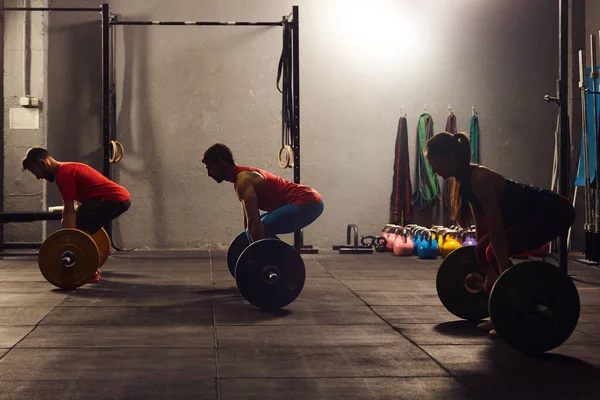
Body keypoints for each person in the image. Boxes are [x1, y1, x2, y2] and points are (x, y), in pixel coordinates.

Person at [425, 132, 575, 333]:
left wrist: (502, 277)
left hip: (555, 211)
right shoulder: (465, 182)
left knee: (491, 253)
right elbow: (482, 230)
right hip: (531, 217)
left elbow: (496, 230)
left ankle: (513, 311)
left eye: (434, 161)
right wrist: (487, 270)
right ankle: (500, 314)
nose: (433, 168)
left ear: (451, 156)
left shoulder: (480, 179)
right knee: (482, 251)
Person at [21, 147, 131, 282]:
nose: (38, 177)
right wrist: (66, 225)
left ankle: (90, 271)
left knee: (78, 224)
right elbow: (69, 207)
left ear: (43, 164)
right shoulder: (65, 170)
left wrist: (71, 240)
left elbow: (71, 211)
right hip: (119, 199)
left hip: (114, 199)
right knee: (79, 226)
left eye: (35, 172)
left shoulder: (64, 174)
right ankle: (90, 262)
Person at [202, 143, 324, 244]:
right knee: (256, 227)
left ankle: (282, 263)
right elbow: (249, 222)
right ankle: (277, 259)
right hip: (305, 201)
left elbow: (254, 221)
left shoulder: (244, 180)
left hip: (308, 201)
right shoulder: (239, 182)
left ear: (222, 164)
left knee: (262, 226)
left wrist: (258, 255)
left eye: (210, 168)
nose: (209, 174)